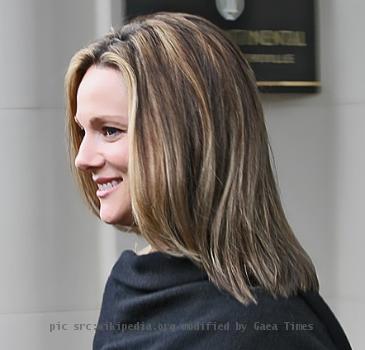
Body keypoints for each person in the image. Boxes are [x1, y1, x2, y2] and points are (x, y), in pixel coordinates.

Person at [65, 12, 351, 350]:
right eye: (83, 131)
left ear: (188, 139)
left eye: (110, 131)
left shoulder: (272, 331)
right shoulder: (129, 287)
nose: (83, 158)